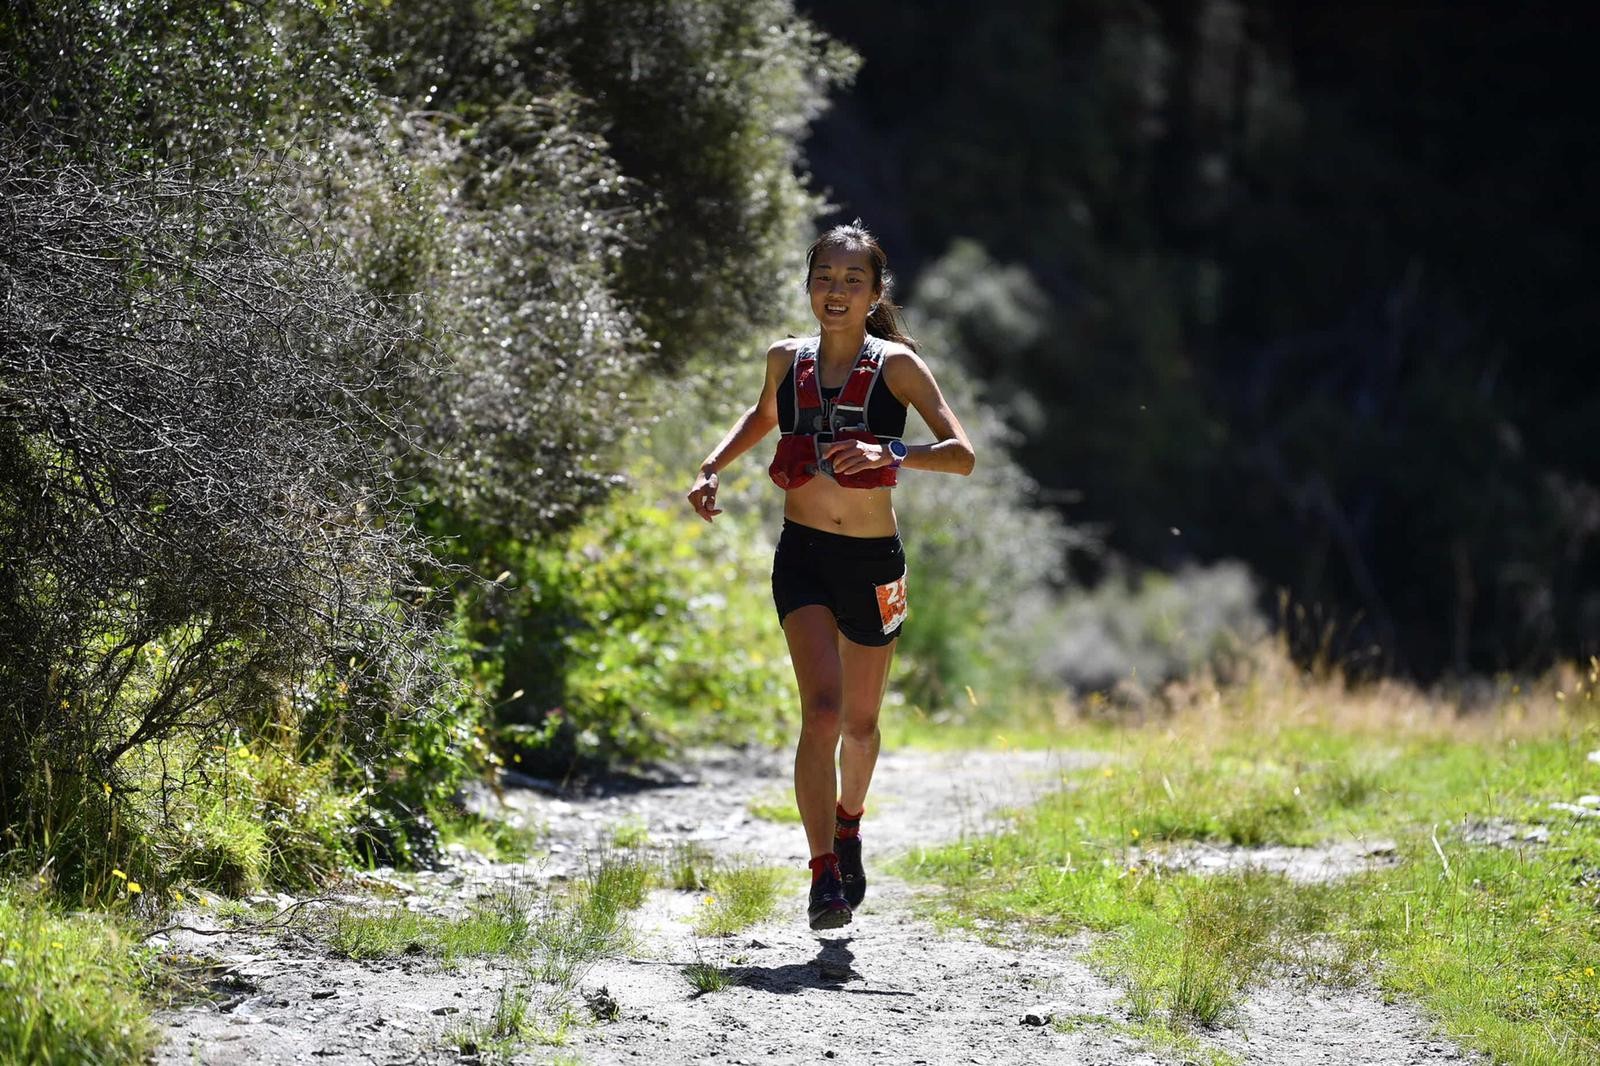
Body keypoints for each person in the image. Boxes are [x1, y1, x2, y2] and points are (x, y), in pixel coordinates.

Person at [686, 221, 975, 930]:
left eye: (852, 281)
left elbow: (962, 453)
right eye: (825, 278)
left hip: (874, 564)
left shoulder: (900, 368)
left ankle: (849, 825)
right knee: (821, 712)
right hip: (804, 554)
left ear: (876, 292)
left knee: (862, 723)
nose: (836, 292)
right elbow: (760, 419)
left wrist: (893, 454)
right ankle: (823, 875)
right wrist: (710, 468)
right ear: (808, 284)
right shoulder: (787, 360)